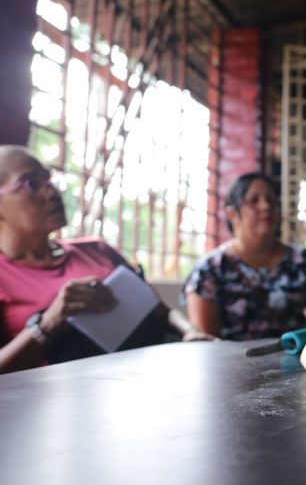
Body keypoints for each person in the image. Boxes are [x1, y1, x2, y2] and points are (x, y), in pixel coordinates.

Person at [0, 145, 212, 374]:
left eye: (49, 180)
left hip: (150, 374)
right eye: (32, 183)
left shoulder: (97, 249)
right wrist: (48, 323)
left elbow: (158, 309)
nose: (51, 192)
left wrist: (190, 331)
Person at [183, 173, 306, 340]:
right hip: (233, 365)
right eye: (253, 200)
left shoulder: (302, 262)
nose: (265, 206)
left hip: (297, 364)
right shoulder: (210, 270)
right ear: (232, 214)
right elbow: (207, 343)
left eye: (271, 200)